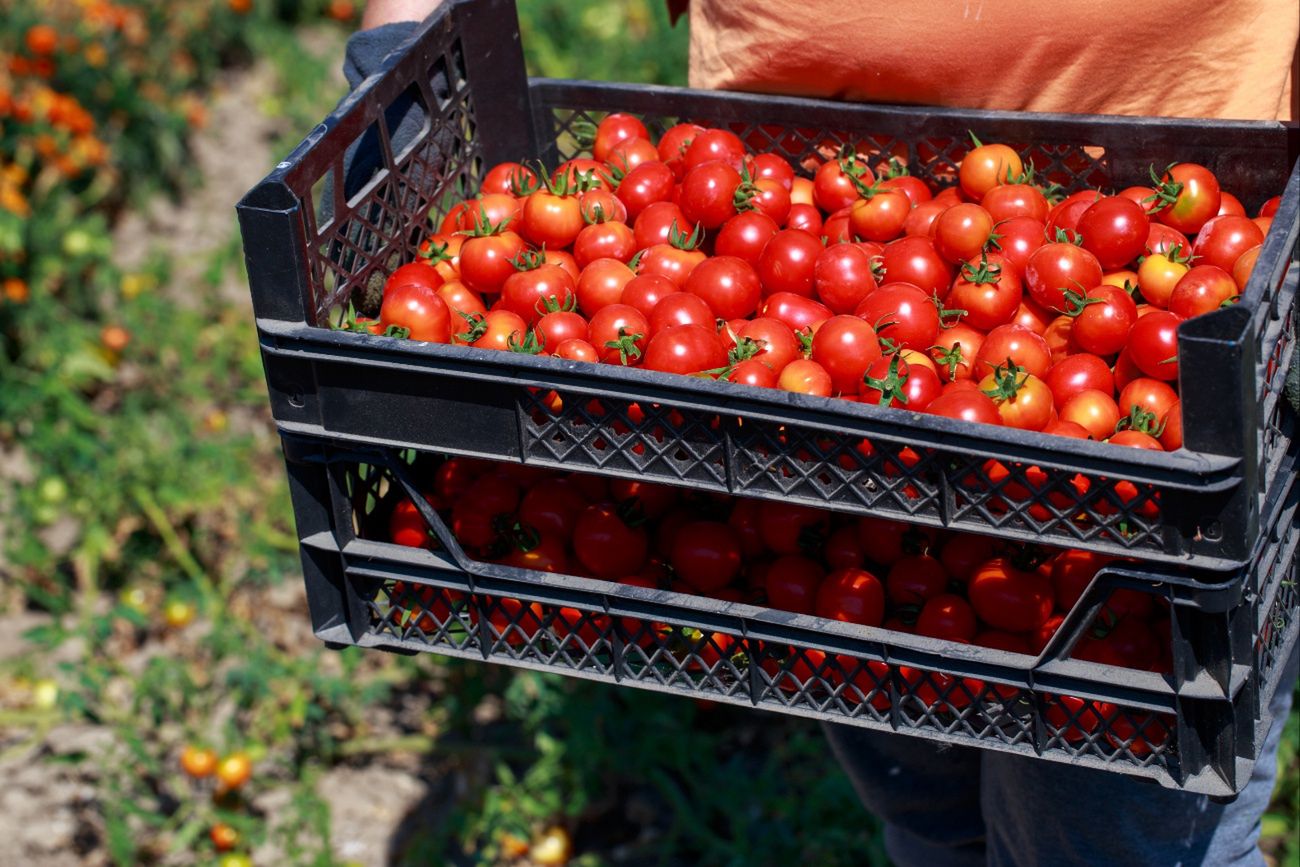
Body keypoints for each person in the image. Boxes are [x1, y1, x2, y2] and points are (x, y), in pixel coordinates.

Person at [345, 2, 1300, 864]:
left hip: (1176, 191)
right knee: (924, 789)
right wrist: (402, 65)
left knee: (1109, 842)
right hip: (793, 239)